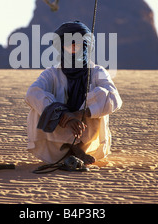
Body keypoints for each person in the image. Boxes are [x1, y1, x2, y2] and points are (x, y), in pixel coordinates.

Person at [25, 21, 122, 165]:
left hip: (86, 130)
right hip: (59, 130)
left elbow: (114, 98)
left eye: (78, 44)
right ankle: (67, 149)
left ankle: (79, 148)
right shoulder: (51, 73)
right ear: (61, 47)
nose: (74, 48)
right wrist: (64, 116)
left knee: (102, 95)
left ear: (86, 47)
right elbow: (32, 93)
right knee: (39, 104)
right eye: (69, 44)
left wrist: (81, 113)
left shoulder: (97, 72)